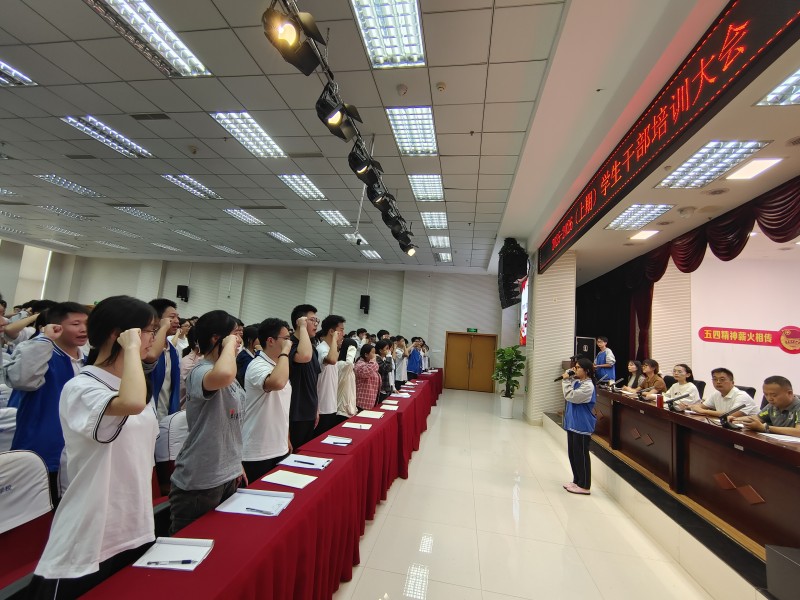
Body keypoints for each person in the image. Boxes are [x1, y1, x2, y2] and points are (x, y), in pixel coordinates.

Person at [28, 296, 158, 599]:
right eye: (149, 330)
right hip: (89, 533)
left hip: (132, 524)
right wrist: (131, 349)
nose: (154, 338)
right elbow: (132, 404)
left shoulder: (135, 385)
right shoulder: (83, 387)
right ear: (119, 334)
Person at [168, 310, 245, 535]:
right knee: (190, 544)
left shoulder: (226, 371)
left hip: (226, 473)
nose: (238, 341)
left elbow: (231, 425)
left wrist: (236, 464)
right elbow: (223, 376)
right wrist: (228, 346)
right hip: (201, 479)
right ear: (216, 338)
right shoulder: (200, 371)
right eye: (234, 335)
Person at [5, 302, 89, 503]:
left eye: (87, 323)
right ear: (56, 326)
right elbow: (22, 379)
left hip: (76, 450)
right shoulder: (43, 355)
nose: (83, 329)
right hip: (42, 446)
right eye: (75, 324)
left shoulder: (88, 361)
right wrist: (44, 339)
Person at [242, 318, 293, 482]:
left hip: (279, 445)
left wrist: (286, 437)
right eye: (286, 339)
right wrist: (285, 353)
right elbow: (277, 383)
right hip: (258, 451)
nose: (289, 343)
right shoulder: (258, 365)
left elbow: (281, 405)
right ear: (270, 341)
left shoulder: (278, 365)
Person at [561, 357, 596, 495]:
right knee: (573, 454)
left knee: (581, 455)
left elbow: (571, 396)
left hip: (582, 425)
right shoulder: (578, 382)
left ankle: (584, 485)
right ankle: (576, 480)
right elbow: (570, 386)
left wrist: (565, 380)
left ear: (586, 370)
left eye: (578, 367)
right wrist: (570, 375)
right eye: (575, 367)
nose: (575, 370)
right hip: (572, 423)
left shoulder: (588, 386)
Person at [287, 304, 320, 449]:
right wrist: (302, 327)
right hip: (296, 413)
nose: (316, 324)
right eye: (312, 320)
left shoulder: (313, 349)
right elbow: (304, 356)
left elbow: (314, 381)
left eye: (317, 320)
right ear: (300, 322)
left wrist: (316, 408)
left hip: (310, 411)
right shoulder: (290, 345)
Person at [145, 298, 181, 420]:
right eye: (172, 317)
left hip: (166, 416)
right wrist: (163, 327)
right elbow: (151, 356)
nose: (177, 321)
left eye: (177, 317)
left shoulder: (172, 350)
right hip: (148, 414)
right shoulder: (146, 347)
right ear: (156, 319)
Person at [732, 376, 800, 437]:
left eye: (774, 395)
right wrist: (735, 419)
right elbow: (757, 418)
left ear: (789, 393)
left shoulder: (798, 406)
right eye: (766, 395)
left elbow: (798, 431)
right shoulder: (772, 406)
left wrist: (766, 428)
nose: (769, 398)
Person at [315, 315, 344, 435]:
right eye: (341, 330)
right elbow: (331, 360)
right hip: (322, 406)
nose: (343, 334)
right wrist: (335, 341)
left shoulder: (331, 349)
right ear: (332, 331)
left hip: (330, 404)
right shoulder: (321, 349)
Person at [690, 367, 758, 418]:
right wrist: (692, 407)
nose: (718, 382)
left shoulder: (742, 396)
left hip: (754, 431)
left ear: (732, 382)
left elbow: (730, 414)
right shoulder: (716, 394)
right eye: (715, 379)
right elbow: (701, 406)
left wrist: (703, 411)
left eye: (722, 379)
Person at [336, 338, 358, 422]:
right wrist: (352, 348)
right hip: (342, 408)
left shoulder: (348, 367)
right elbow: (349, 363)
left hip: (348, 406)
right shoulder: (342, 364)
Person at [354, 344, 380, 411]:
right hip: (362, 401)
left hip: (371, 399)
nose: (375, 355)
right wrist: (373, 361)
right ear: (366, 354)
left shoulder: (369, 364)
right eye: (373, 353)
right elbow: (366, 372)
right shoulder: (359, 364)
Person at [375, 339, 395, 403]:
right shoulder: (377, 359)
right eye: (387, 348)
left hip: (386, 387)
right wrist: (389, 356)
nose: (389, 350)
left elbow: (391, 369)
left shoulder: (384, 358)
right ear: (380, 350)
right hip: (380, 388)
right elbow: (387, 369)